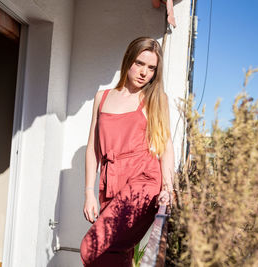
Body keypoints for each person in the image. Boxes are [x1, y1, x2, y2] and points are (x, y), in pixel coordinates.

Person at [80, 37, 175, 267]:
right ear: (128, 60)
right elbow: (93, 146)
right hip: (110, 181)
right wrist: (89, 192)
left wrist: (168, 188)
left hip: (143, 181)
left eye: (151, 68)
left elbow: (165, 145)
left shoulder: (155, 99)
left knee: (90, 249)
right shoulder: (102, 97)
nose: (144, 72)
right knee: (117, 255)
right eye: (139, 63)